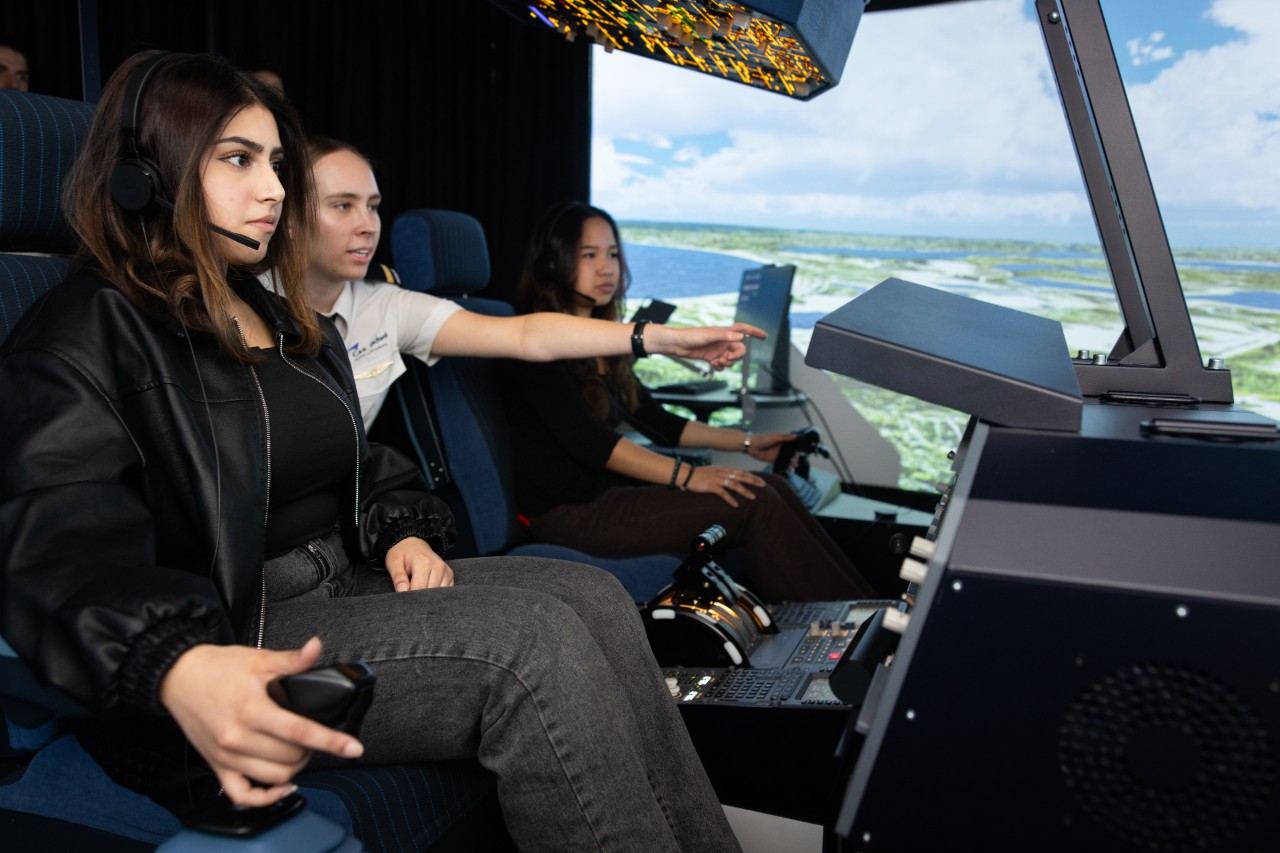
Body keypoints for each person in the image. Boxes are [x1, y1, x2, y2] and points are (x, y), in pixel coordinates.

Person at [0, 51, 740, 851]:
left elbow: (357, 457)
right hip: (230, 639)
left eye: (277, 163)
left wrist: (403, 527)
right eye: (238, 160)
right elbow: (57, 544)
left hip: (343, 581)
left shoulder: (270, 313)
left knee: (592, 597)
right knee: (538, 644)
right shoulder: (85, 331)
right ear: (148, 174)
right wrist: (174, 664)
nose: (274, 190)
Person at [500, 202, 879, 603]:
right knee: (753, 501)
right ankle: (845, 630)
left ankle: (865, 613)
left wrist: (749, 443)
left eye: (612, 254)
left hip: (609, 494)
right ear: (552, 262)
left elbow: (656, 420)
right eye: (588, 255)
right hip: (570, 514)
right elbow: (591, 442)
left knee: (768, 485)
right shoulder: (534, 341)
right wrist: (688, 476)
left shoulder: (602, 341)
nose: (606, 268)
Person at [291, 137, 757, 428]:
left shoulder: (386, 306)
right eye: (342, 205)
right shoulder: (237, 310)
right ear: (287, 217)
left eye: (372, 205)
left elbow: (527, 333)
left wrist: (668, 341)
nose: (368, 224)